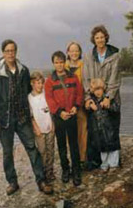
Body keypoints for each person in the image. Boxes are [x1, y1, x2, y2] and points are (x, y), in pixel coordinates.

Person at [0, 39, 52, 195]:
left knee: (32, 148)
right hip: (4, 120)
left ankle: (41, 180)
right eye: (7, 51)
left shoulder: (24, 70)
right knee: (8, 152)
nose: (10, 53)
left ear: (16, 52)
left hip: (22, 118)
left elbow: (30, 93)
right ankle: (12, 182)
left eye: (12, 50)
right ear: (3, 52)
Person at [83, 25, 122, 169]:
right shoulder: (88, 56)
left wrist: (108, 98)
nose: (100, 40)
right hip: (95, 102)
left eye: (102, 37)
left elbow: (115, 79)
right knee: (98, 132)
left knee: (113, 130)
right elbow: (86, 79)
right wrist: (88, 99)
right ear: (94, 39)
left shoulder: (115, 55)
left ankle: (115, 161)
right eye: (97, 37)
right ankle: (100, 162)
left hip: (111, 100)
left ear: (106, 37)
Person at [44, 51, 84, 186]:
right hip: (59, 117)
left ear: (64, 62)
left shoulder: (73, 77)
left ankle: (76, 171)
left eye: (61, 62)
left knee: (74, 145)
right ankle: (65, 170)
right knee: (61, 146)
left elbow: (79, 93)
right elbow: (49, 99)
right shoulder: (49, 81)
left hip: (72, 115)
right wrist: (59, 112)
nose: (59, 65)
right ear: (53, 64)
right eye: (56, 62)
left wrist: (76, 107)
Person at [85, 78, 121, 171]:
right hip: (99, 130)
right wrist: (89, 106)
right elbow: (86, 110)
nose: (98, 92)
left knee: (113, 147)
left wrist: (108, 106)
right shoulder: (92, 101)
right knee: (103, 149)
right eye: (95, 90)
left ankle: (113, 165)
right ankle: (104, 164)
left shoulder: (108, 99)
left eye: (99, 89)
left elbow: (116, 109)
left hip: (110, 128)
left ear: (103, 89)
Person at [28, 71, 55, 183]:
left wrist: (53, 125)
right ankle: (43, 173)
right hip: (39, 130)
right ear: (32, 84)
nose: (40, 85)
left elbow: (51, 111)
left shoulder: (46, 95)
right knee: (42, 151)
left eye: (41, 83)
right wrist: (36, 128)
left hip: (49, 127)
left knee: (51, 150)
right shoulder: (29, 98)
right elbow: (31, 116)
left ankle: (50, 172)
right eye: (37, 83)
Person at [65, 41, 88, 169]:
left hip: (81, 103)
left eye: (76, 50)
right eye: (71, 50)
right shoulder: (63, 66)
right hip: (67, 105)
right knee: (70, 133)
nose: (74, 53)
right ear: (67, 52)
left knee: (82, 131)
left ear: (79, 52)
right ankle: (73, 157)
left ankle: (82, 159)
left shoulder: (84, 65)